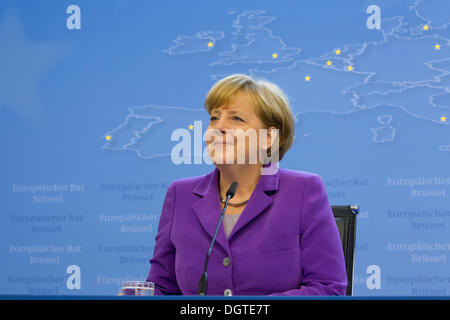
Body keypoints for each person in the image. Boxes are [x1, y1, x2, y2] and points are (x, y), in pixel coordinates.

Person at [146, 74, 347, 296]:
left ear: (268, 137)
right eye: (214, 118)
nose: (219, 127)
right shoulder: (180, 195)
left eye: (236, 119)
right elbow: (161, 289)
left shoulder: (303, 191)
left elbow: (328, 289)